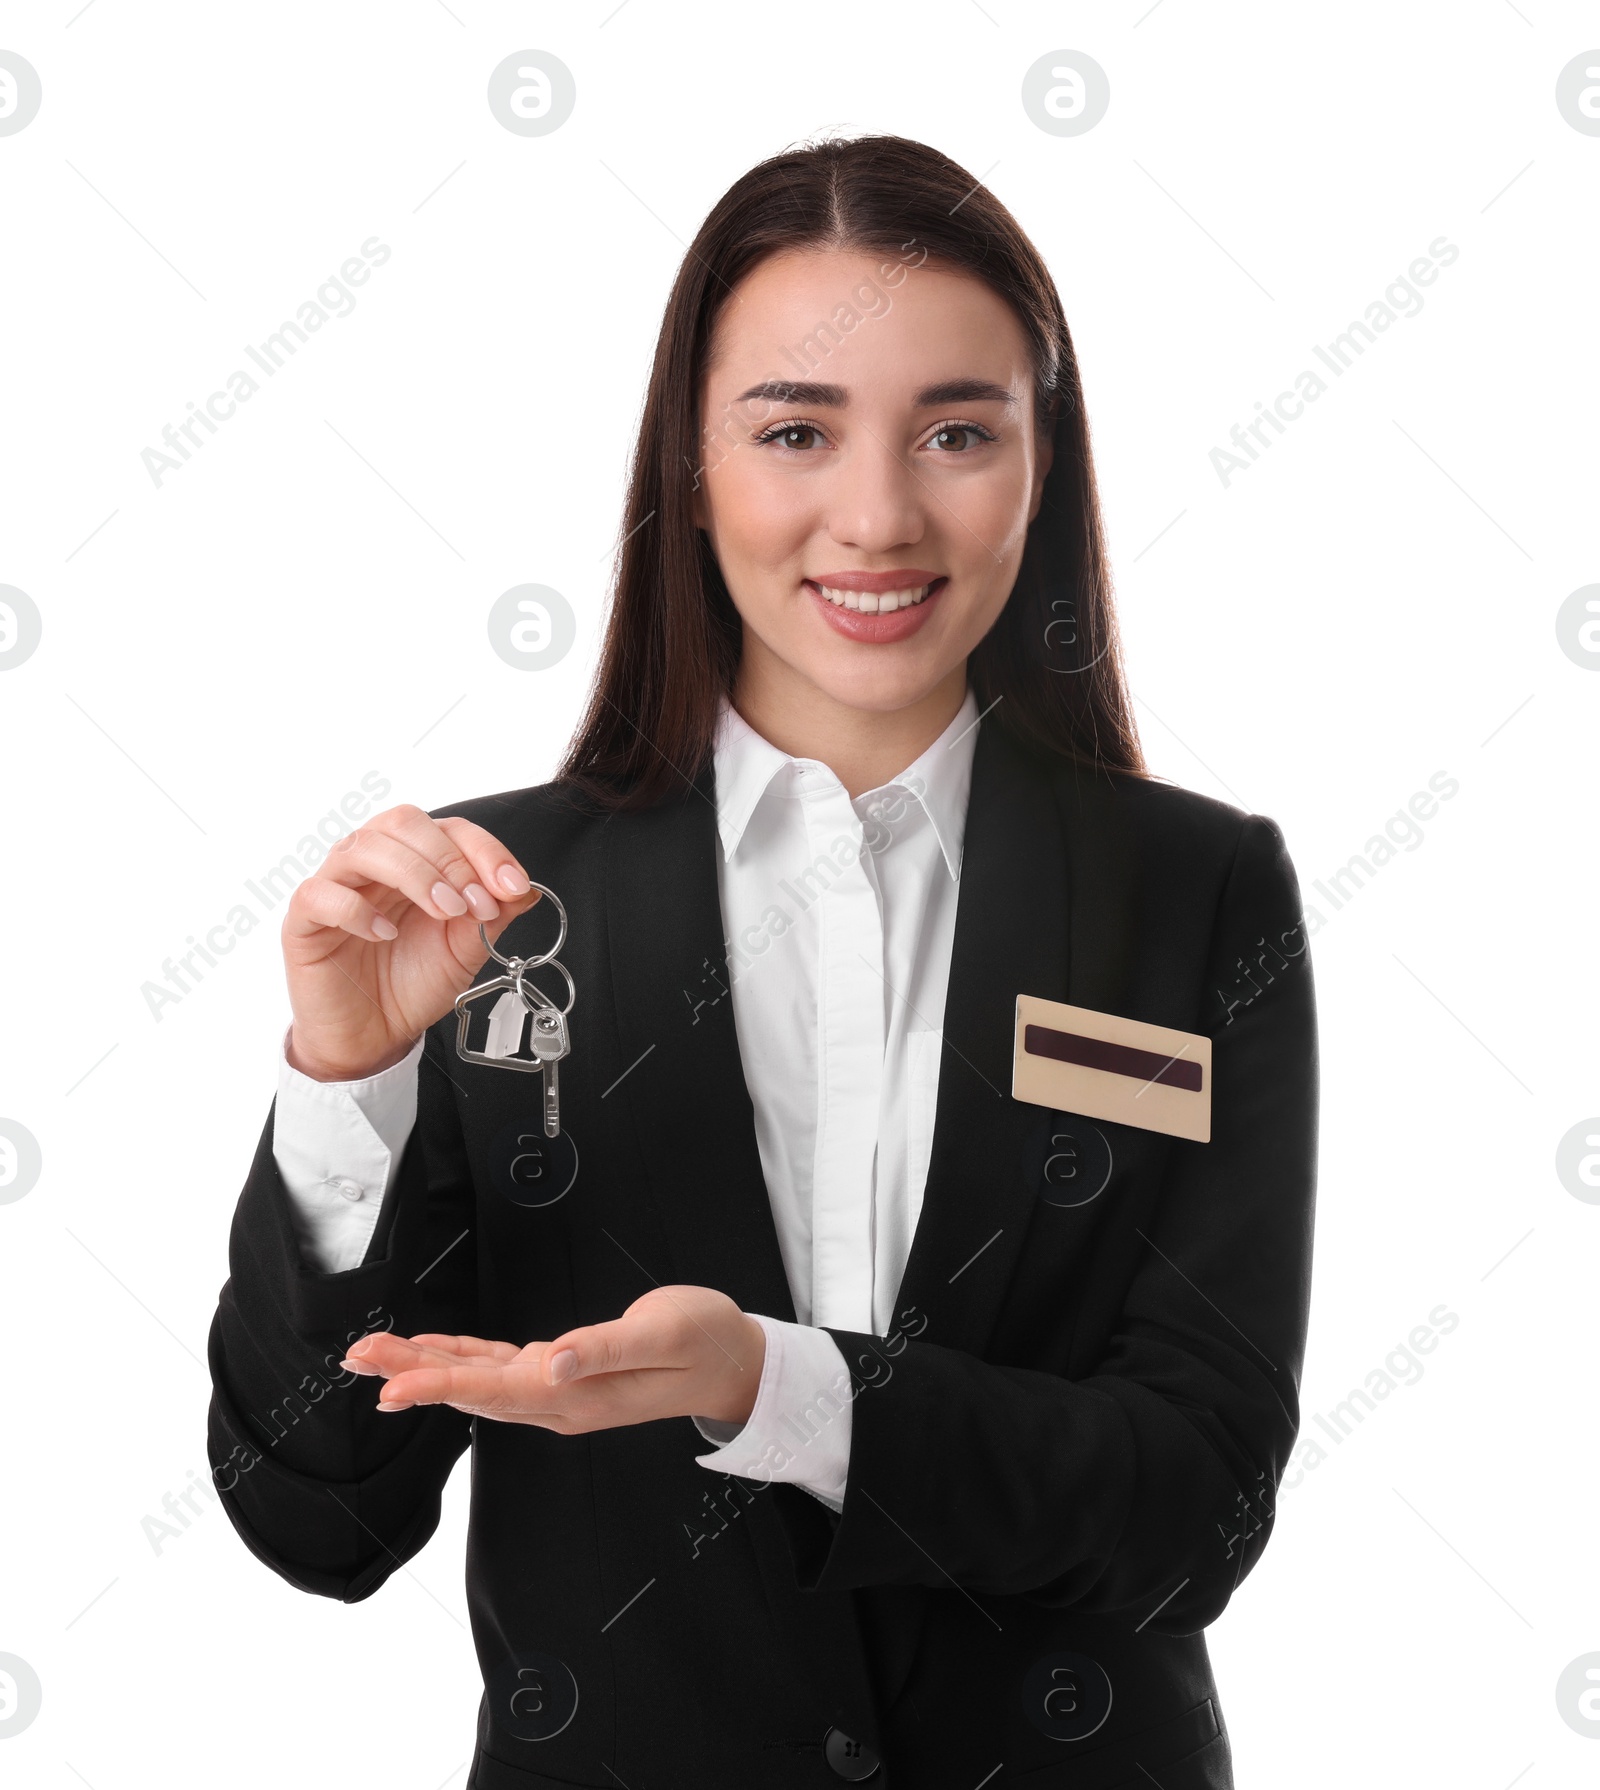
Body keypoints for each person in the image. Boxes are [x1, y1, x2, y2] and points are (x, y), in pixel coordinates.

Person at [207, 131, 1318, 1789]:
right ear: (691, 464)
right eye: (796, 429)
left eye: (958, 430)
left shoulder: (1194, 893)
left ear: (1045, 462)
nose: (876, 515)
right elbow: (318, 1518)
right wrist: (345, 1091)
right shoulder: (489, 909)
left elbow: (1197, 1507)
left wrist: (781, 1389)